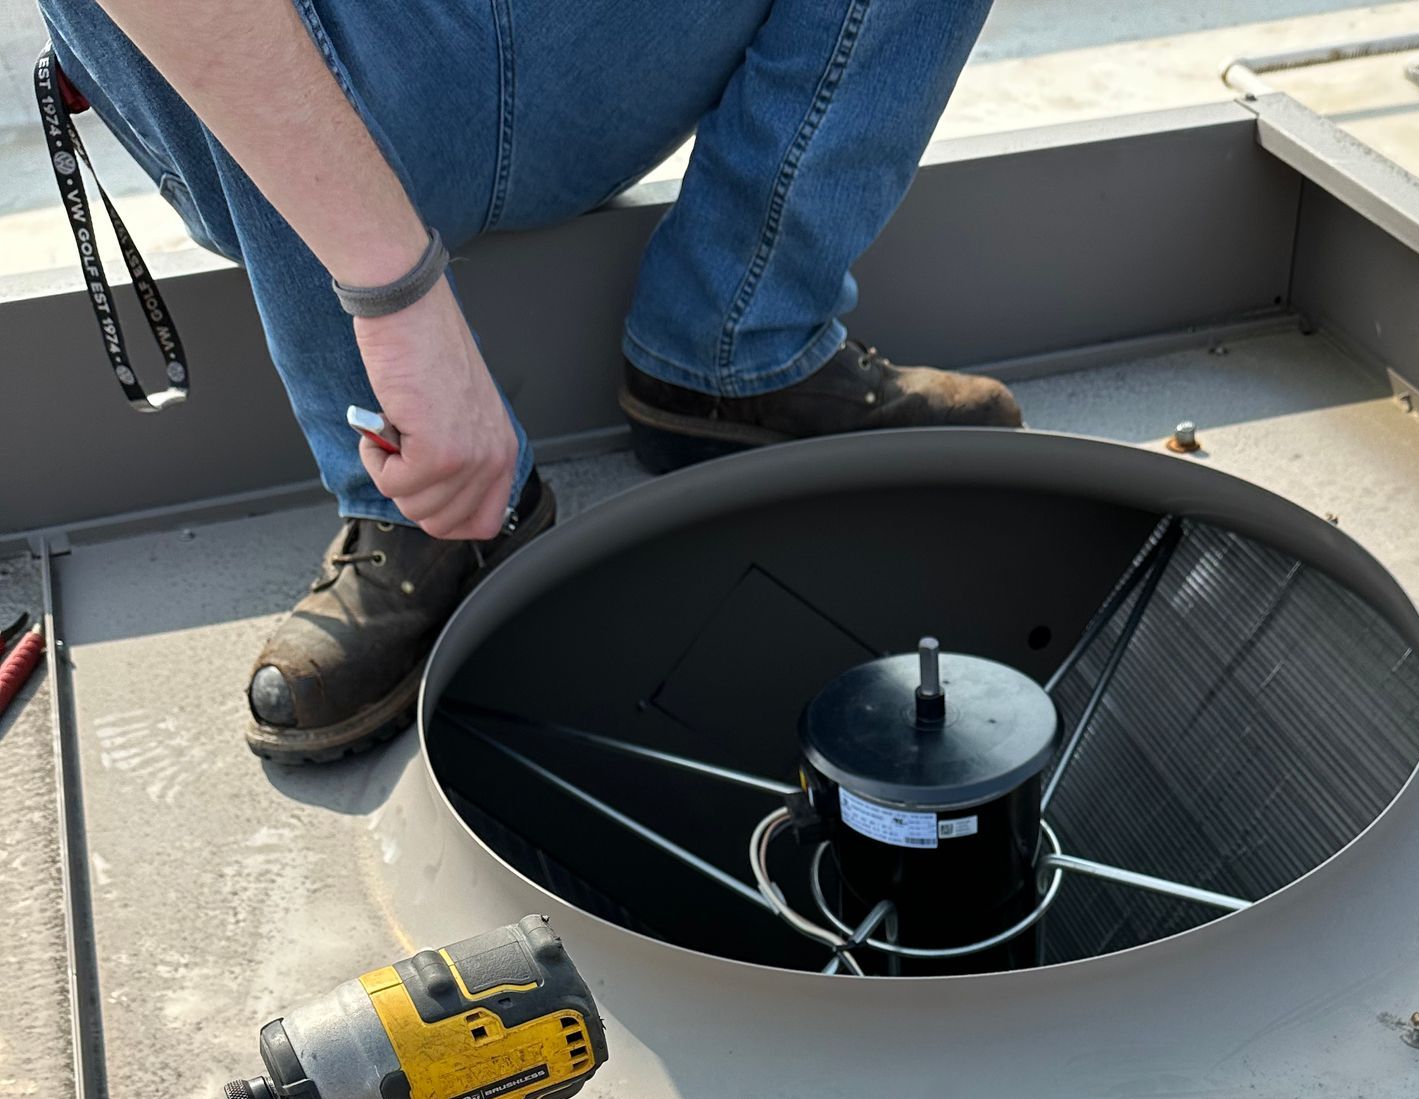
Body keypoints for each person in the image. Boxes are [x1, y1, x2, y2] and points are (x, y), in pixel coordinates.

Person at [37, 0, 1020, 762]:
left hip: (576, 59)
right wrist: (397, 299)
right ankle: (421, 501)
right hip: (318, 99)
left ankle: (732, 342)